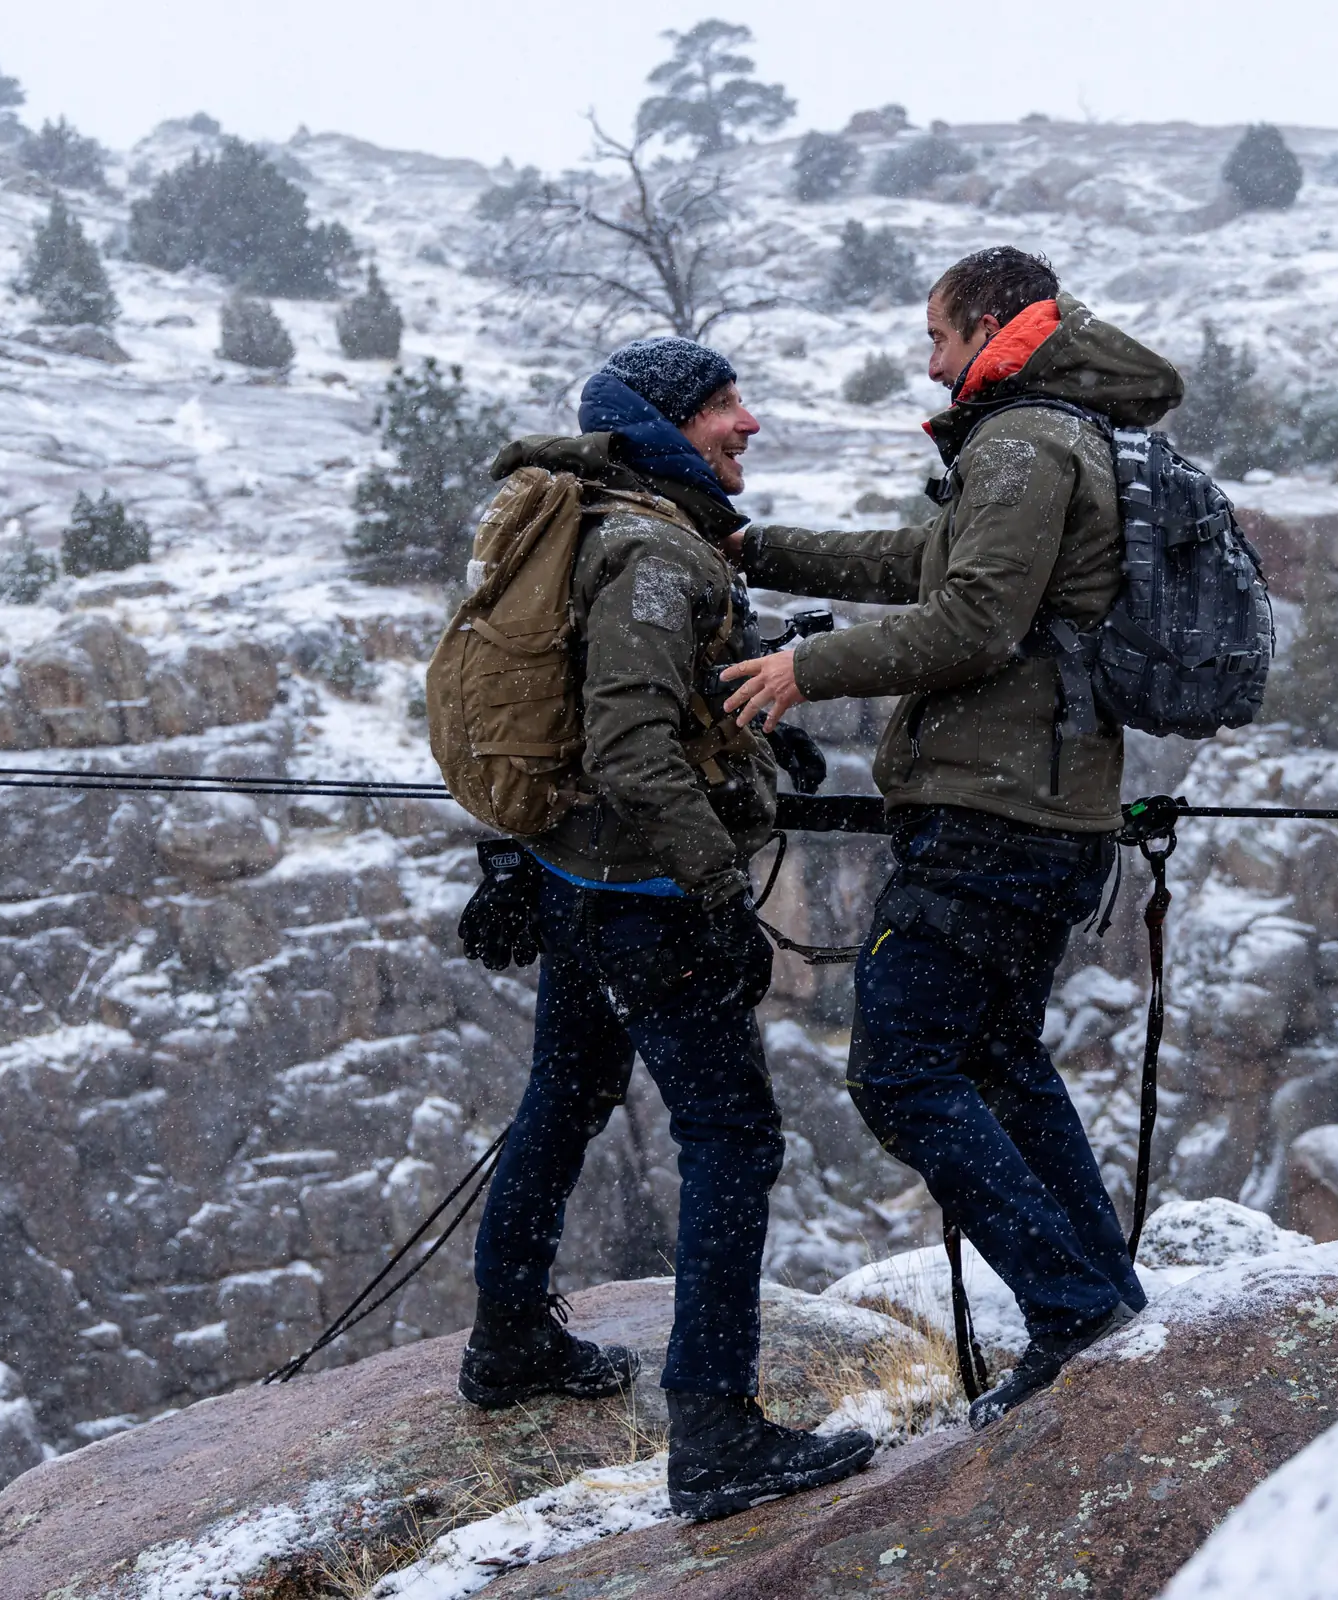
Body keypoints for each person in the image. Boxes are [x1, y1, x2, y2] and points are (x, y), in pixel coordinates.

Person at [721, 249, 1184, 1428]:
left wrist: (804, 668)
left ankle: (1074, 1304)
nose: (927, 362)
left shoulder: (1026, 441)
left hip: (996, 819)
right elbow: (913, 565)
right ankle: (1105, 1298)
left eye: (935, 337)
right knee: (1000, 1063)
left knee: (900, 1072)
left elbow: (975, 621)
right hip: (1035, 815)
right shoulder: (1044, 434)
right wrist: (759, 548)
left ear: (988, 323)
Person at [455, 336, 874, 1521]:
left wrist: (749, 720)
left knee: (563, 1097)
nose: (750, 422)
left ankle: (510, 1341)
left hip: (573, 880)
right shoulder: (649, 548)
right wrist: (712, 890)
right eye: (723, 406)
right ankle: (718, 1431)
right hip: (644, 900)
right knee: (734, 1139)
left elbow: (606, 702)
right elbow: (631, 744)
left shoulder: (597, 521)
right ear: (659, 428)